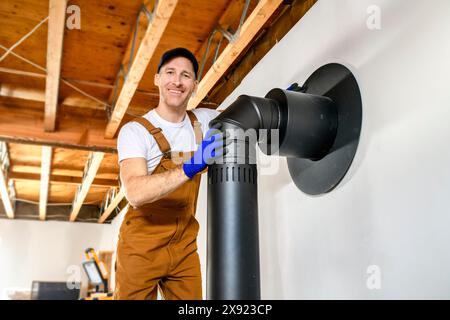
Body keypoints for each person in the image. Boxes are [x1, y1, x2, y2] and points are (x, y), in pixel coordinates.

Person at [113, 47, 224, 300]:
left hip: (184, 247)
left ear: (195, 85)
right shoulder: (135, 131)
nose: (177, 81)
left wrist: (280, 106)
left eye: (186, 76)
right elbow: (135, 193)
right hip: (141, 249)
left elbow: (246, 115)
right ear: (157, 78)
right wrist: (190, 167)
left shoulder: (205, 120)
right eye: (170, 72)